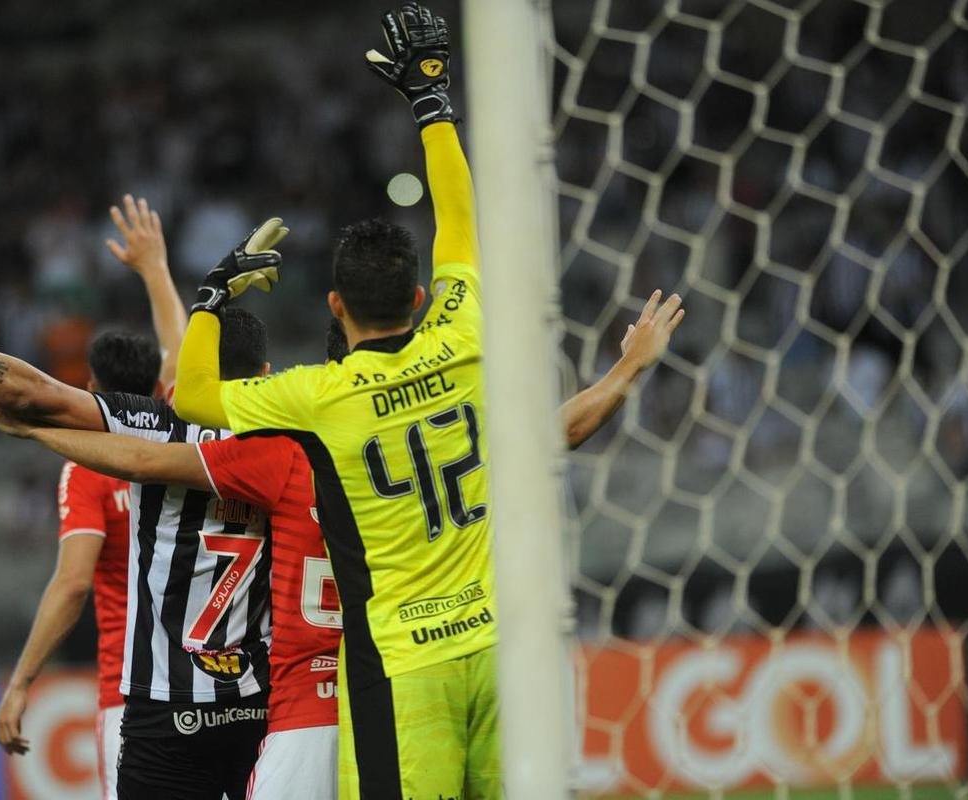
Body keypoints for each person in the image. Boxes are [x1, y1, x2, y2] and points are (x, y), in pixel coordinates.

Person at [167, 6, 684, 798]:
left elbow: (196, 396)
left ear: (334, 306)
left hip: (403, 665)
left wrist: (211, 295)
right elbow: (460, 225)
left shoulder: (319, 396)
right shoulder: (464, 331)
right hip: (502, 647)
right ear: (417, 297)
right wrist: (431, 101)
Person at [0, 287, 681, 800]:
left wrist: (39, 432)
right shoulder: (442, 442)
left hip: (306, 699)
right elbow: (562, 429)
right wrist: (628, 368)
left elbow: (153, 450)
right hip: (417, 674)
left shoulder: (280, 456)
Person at [0, 202, 284, 800]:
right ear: (265, 370)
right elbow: (179, 353)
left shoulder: (158, 431)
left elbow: (33, 392)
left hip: (164, 704)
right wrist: (155, 269)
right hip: (258, 700)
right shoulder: (290, 439)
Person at [0, 195, 185, 800]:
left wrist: (22, 682)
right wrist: (155, 268)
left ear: (91, 389)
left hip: (131, 695)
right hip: (212, 686)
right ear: (157, 386)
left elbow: (74, 583)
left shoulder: (86, 471)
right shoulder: (184, 435)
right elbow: (180, 351)